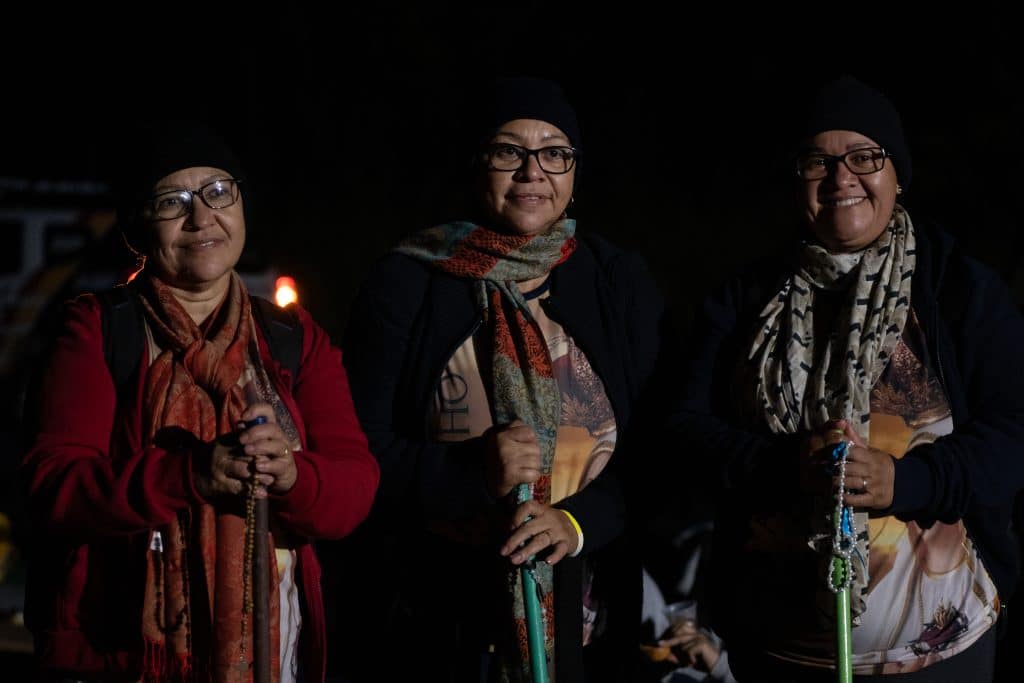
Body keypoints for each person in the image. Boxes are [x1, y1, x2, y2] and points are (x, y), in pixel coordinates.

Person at [670, 76, 1024, 681]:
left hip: (941, 654)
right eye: (818, 162)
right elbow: (681, 430)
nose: (841, 178)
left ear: (897, 175)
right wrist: (784, 467)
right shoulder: (745, 299)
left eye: (865, 157)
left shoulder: (959, 291)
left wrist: (907, 481)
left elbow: (1013, 433)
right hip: (779, 651)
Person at [20, 121, 380, 683]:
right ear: (138, 227)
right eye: (173, 201)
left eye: (218, 192)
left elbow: (354, 487)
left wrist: (291, 475)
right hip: (126, 660)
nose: (202, 217)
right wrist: (190, 474)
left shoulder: (292, 338)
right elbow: (53, 486)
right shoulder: (98, 331)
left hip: (272, 658)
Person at [336, 76, 665, 682]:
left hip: (587, 623)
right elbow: (356, 454)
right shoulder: (407, 285)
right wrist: (469, 475)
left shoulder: (615, 283)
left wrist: (576, 521)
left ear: (574, 172)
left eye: (554, 153)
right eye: (509, 151)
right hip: (441, 623)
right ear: (476, 163)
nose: (532, 171)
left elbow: (656, 452)